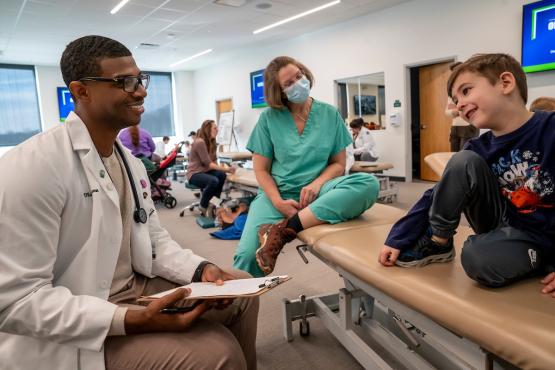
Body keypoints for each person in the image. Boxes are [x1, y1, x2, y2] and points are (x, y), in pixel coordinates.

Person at [0, 35, 258, 370]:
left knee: (239, 290)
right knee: (217, 353)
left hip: (133, 285)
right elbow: (15, 302)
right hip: (83, 312)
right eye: (125, 82)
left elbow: (153, 242)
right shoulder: (32, 167)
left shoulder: (130, 163)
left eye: (140, 79)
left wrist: (201, 270)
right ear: (81, 92)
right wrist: (132, 320)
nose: (141, 91)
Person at [378, 53, 555, 296]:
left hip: (549, 233)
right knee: (476, 256)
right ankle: (439, 243)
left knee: (482, 257)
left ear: (505, 83)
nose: (459, 104)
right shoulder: (477, 148)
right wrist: (398, 237)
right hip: (508, 230)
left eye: (466, 91)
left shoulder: (550, 128)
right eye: (455, 98)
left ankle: (539, 259)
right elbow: (434, 194)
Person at [233, 56, 379, 277]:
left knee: (368, 184)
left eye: (298, 76)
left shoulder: (329, 114)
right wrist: (277, 202)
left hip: (319, 192)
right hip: (277, 195)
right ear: (279, 92)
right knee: (246, 257)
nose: (298, 83)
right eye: (288, 83)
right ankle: (238, 309)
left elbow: (338, 164)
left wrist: (316, 184)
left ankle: (285, 229)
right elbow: (261, 170)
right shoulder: (269, 119)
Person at [187, 119, 236, 217]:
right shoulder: (199, 142)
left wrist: (225, 169)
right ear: (207, 129)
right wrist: (227, 169)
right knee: (213, 180)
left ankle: (214, 203)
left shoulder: (212, 142)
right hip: (194, 174)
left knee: (221, 175)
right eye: (215, 128)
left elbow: (213, 161)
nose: (217, 130)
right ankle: (203, 205)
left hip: (205, 172)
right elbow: (208, 163)